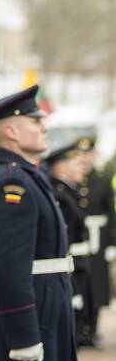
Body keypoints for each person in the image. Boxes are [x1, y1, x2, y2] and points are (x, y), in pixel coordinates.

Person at [0, 84, 88, 361]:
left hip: (46, 301)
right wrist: (23, 335)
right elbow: (7, 267)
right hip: (31, 311)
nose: (44, 126)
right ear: (11, 131)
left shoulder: (26, 176)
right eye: (36, 122)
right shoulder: (13, 184)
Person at [45, 141, 92, 344]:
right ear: (60, 166)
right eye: (77, 164)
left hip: (79, 265)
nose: (83, 168)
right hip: (69, 268)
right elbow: (62, 242)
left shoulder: (71, 192)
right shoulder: (58, 194)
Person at [77, 136, 116, 346]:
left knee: (97, 285)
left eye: (87, 154)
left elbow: (111, 214)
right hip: (81, 241)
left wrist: (112, 243)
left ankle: (92, 328)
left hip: (98, 239)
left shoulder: (101, 179)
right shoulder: (73, 181)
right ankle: (80, 327)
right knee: (81, 284)